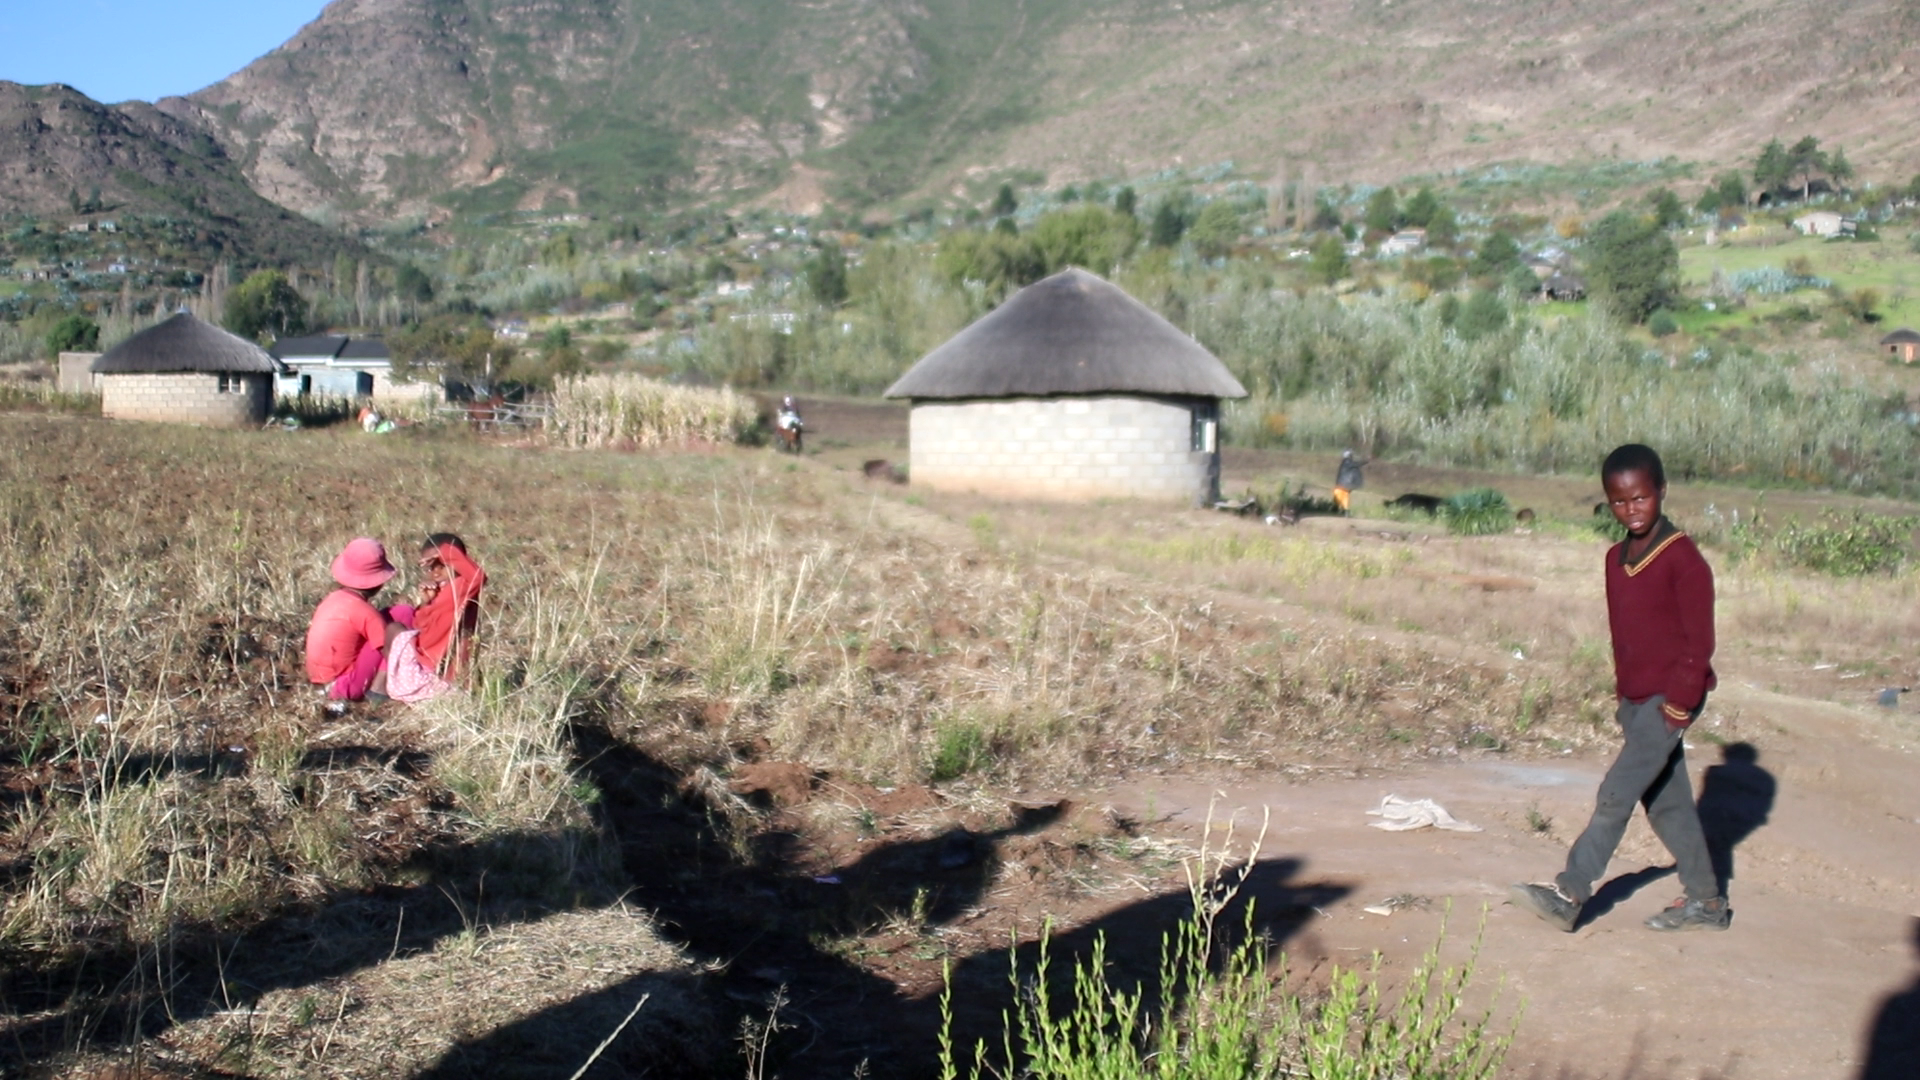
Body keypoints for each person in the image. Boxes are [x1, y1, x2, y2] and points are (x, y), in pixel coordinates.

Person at [1511, 444, 1729, 932]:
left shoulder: (1684, 560)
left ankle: (1570, 892)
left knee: (1616, 794)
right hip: (1636, 702)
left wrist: (1678, 705)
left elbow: (1700, 642)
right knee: (1669, 806)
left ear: (1662, 492)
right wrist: (1624, 698)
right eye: (1619, 501)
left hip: (1670, 701)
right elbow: (1625, 636)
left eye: (1641, 499)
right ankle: (1708, 903)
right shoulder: (1616, 560)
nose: (1631, 510)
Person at [305, 537, 398, 701]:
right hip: (344, 687)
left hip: (319, 683)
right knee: (400, 615)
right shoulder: (365, 612)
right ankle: (379, 691)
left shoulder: (331, 599)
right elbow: (390, 652)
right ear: (379, 583)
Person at [412, 533, 486, 677]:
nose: (436, 572)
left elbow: (478, 577)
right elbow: (420, 627)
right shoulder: (436, 591)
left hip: (453, 667)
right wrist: (425, 603)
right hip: (430, 662)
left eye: (442, 565)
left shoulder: (463, 587)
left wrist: (446, 553)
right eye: (431, 567)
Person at [1332, 449, 1367, 513]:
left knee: (1339, 499)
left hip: (1341, 485)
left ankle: (1340, 511)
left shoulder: (1345, 462)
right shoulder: (1347, 462)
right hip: (1344, 485)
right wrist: (1366, 461)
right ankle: (1343, 511)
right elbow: (1357, 464)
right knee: (1343, 498)